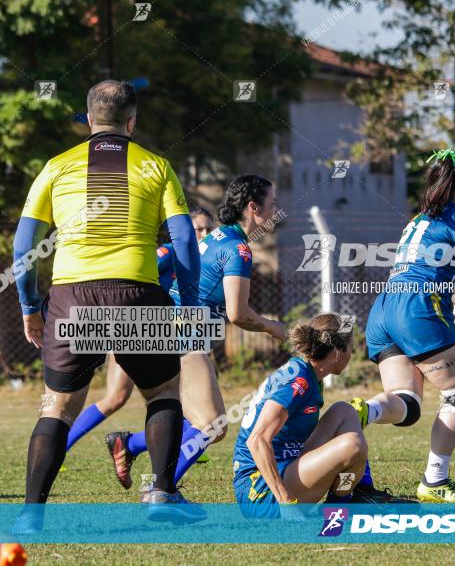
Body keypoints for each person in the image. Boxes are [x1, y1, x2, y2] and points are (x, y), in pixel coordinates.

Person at [12, 80, 203, 530]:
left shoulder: (57, 166)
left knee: (57, 407)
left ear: (88, 117)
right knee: (161, 393)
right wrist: (189, 305)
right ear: (132, 121)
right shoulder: (156, 166)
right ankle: (160, 491)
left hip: (72, 295)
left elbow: (25, 247)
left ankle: (29, 516)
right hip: (137, 291)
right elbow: (184, 243)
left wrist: (29, 305)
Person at [106, 176, 289, 491]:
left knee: (204, 422)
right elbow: (238, 314)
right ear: (253, 207)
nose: (277, 209)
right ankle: (160, 489)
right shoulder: (238, 249)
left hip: (171, 328)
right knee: (212, 423)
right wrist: (275, 328)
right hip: (182, 333)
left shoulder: (217, 237)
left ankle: (131, 445)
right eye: (272, 203)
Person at [356, 148, 455, 502]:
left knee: (406, 403)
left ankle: (364, 410)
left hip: (384, 311)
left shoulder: (419, 219)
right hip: (416, 311)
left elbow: (448, 291)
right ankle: (434, 481)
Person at [64, 206, 215, 454]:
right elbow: (132, 279)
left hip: (162, 334)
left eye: (209, 229)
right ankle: (63, 446)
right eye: (198, 229)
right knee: (117, 397)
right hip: (138, 328)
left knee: (164, 395)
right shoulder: (169, 252)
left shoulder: (200, 259)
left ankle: (175, 443)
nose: (204, 234)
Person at [232, 314, 368, 518]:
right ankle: (337, 511)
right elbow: (257, 440)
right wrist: (286, 503)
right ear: (337, 353)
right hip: (261, 494)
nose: (352, 354)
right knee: (353, 445)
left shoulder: (308, 372)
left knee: (344, 412)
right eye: (350, 348)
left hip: (284, 467)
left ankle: (344, 501)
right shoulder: (299, 381)